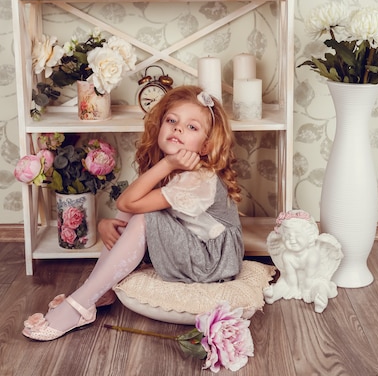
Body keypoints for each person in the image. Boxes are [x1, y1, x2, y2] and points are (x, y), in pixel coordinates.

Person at [22, 86, 244, 341]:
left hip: (213, 261)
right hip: (194, 244)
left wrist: (167, 163)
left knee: (141, 216)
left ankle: (80, 304)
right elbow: (127, 207)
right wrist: (108, 223)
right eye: (172, 121)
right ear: (160, 126)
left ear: (205, 146)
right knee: (134, 215)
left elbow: (129, 204)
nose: (178, 129)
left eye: (192, 127)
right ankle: (99, 292)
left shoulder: (197, 179)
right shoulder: (172, 169)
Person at [263, 210, 342, 313]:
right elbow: (290, 275)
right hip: (293, 281)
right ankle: (272, 295)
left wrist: (306, 290)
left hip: (313, 280)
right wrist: (293, 288)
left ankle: (320, 300)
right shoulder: (287, 255)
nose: (291, 240)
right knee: (283, 283)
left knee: (320, 287)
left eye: (297, 235)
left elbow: (310, 276)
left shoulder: (312, 255)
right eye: (287, 236)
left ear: (309, 235)